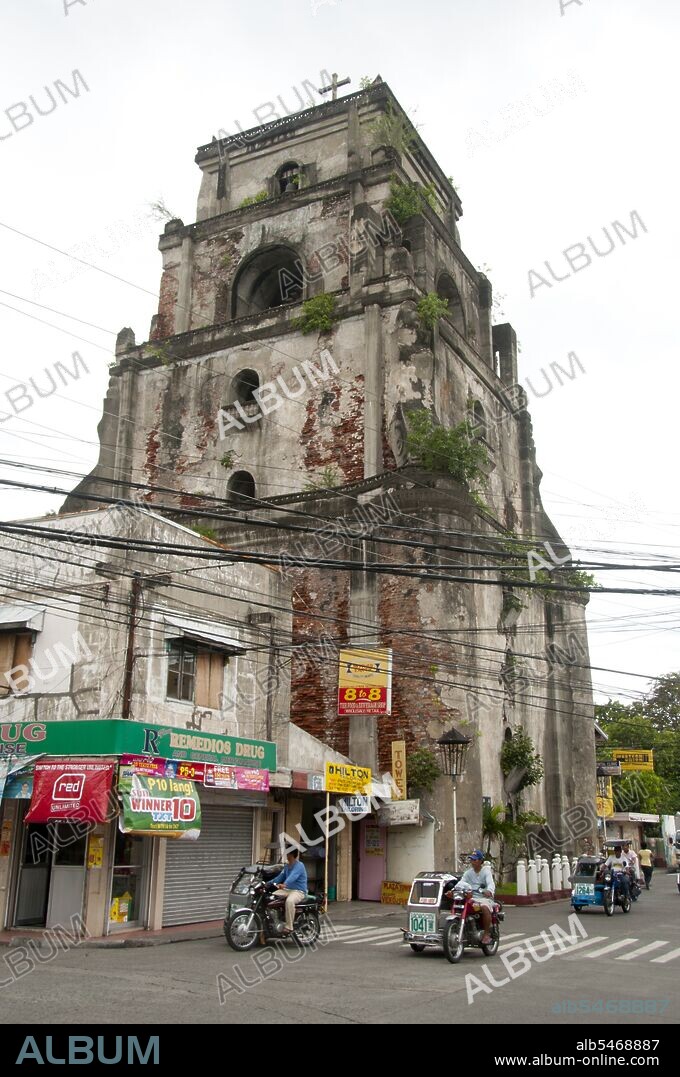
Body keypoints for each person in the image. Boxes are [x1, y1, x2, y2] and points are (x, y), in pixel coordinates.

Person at [455, 849, 495, 945]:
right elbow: (461, 882)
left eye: (475, 860)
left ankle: (486, 934)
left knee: (484, 908)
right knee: (459, 905)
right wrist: (454, 889)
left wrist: (489, 891)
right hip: (472, 898)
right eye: (472, 860)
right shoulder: (468, 873)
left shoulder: (486, 872)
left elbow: (490, 883)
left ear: (481, 861)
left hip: (484, 898)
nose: (473, 862)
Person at [271, 849, 308, 935]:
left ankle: (289, 926)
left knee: (290, 901)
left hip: (298, 891)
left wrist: (285, 884)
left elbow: (293, 876)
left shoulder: (299, 865)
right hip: (287, 890)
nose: (286, 855)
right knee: (271, 897)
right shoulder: (287, 866)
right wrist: (268, 883)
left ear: (291, 855)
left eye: (287, 853)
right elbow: (280, 877)